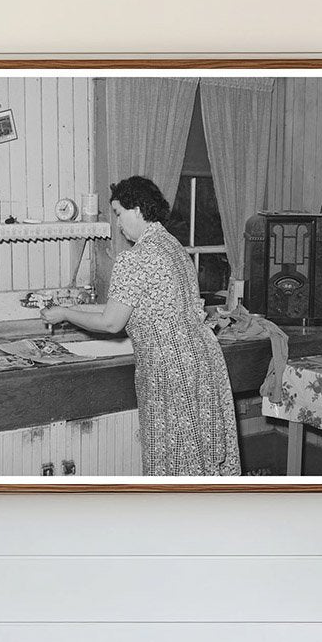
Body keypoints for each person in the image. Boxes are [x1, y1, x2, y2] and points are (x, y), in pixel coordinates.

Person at [41, 175, 241, 476]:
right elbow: (136, 304)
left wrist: (65, 314)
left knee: (172, 461)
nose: (118, 225)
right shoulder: (172, 247)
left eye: (119, 214)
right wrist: (72, 308)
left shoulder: (135, 259)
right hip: (201, 362)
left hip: (169, 371)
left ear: (137, 209)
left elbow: (111, 323)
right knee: (201, 457)